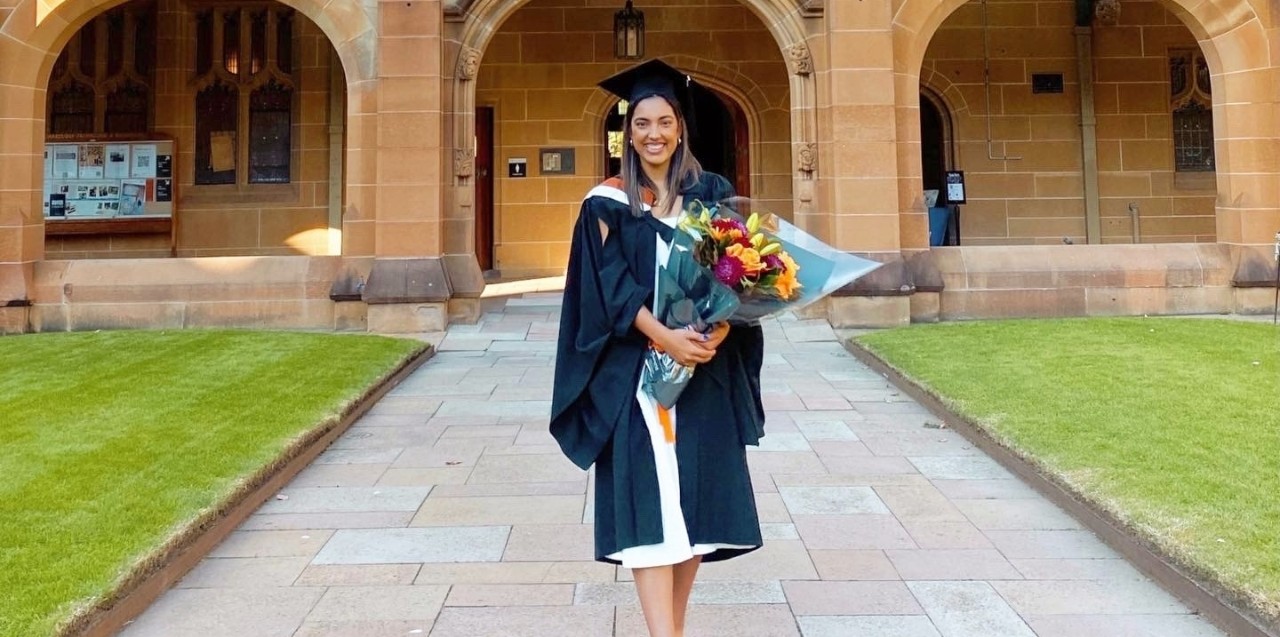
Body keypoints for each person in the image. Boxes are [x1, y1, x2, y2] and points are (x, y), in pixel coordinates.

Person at [551, 59, 767, 637]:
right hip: (636, 377)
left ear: (680, 128)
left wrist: (724, 327)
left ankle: (673, 628)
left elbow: (735, 275)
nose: (653, 134)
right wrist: (666, 336)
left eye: (664, 121)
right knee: (650, 510)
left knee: (692, 512)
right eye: (641, 123)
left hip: (703, 372)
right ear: (628, 132)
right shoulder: (607, 203)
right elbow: (609, 289)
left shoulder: (709, 196)